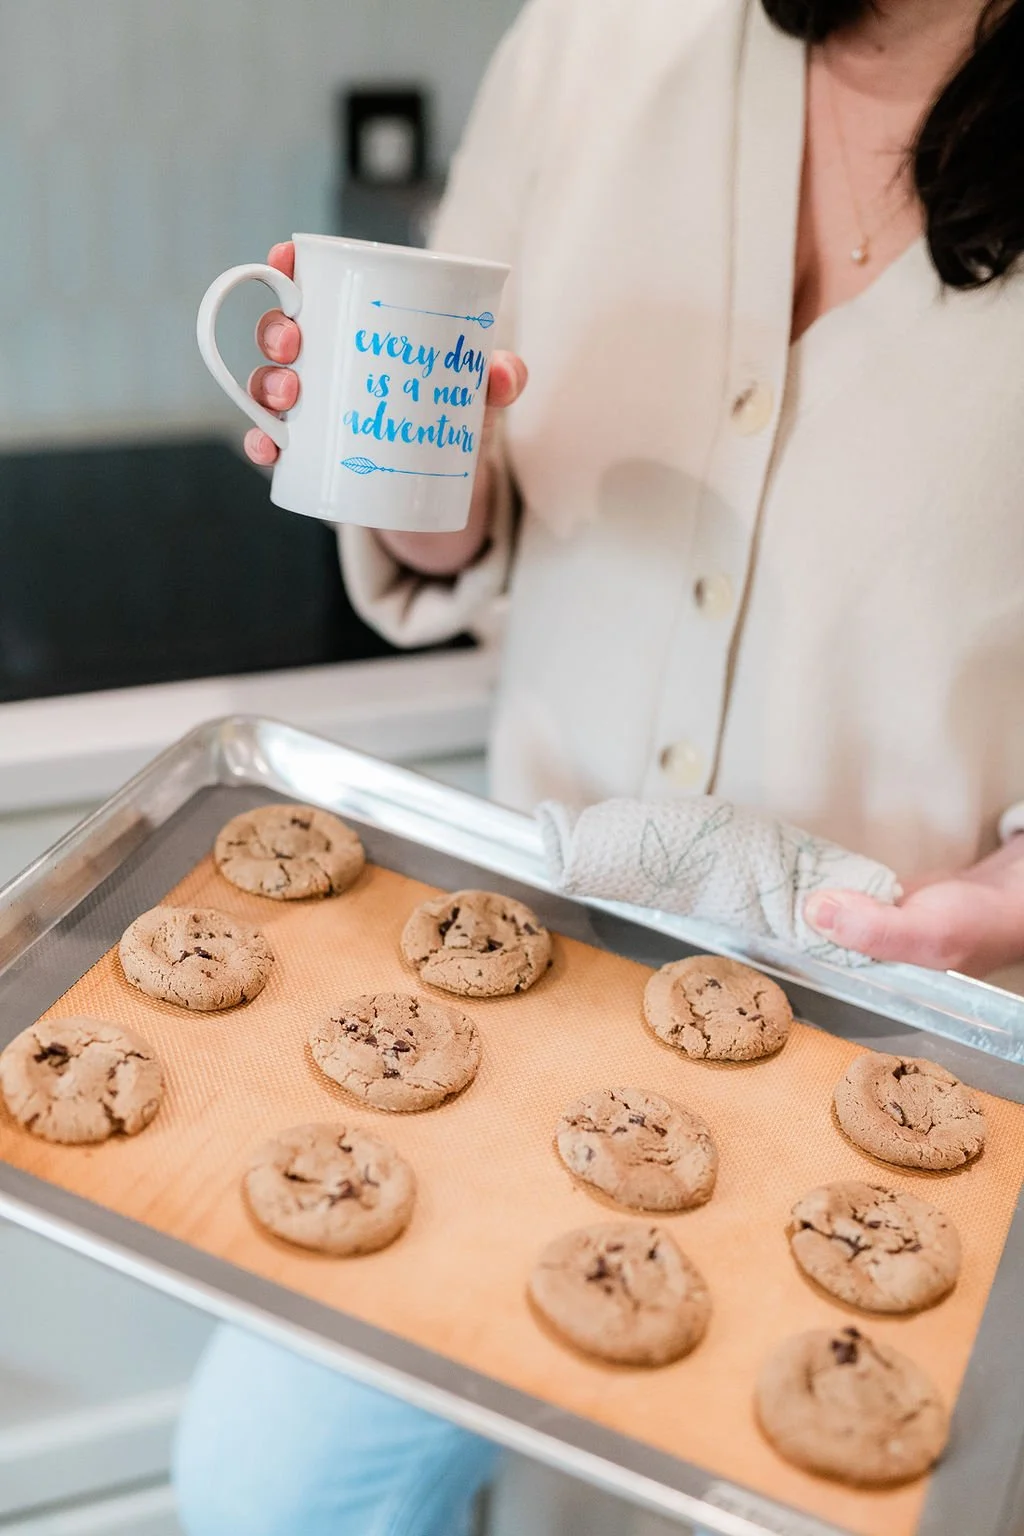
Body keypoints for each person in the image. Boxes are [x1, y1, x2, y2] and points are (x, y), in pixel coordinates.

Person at [173, 0, 1024, 1531]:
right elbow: (467, 484)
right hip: (507, 990)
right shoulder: (595, 39)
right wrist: (420, 489)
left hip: (881, 1078)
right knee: (260, 1479)